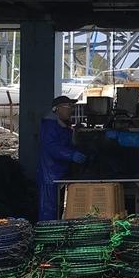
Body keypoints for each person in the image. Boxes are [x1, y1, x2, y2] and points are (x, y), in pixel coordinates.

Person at [37, 95, 88, 224]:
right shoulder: (49, 125)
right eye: (68, 106)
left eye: (71, 106)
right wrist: (71, 155)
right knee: (49, 210)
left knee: (57, 208)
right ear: (57, 109)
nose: (71, 110)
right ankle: (47, 234)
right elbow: (52, 147)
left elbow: (67, 142)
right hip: (50, 174)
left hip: (59, 172)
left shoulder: (62, 125)